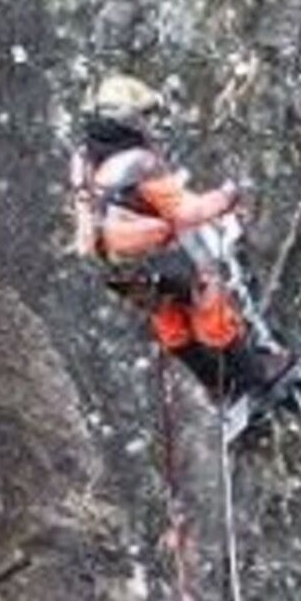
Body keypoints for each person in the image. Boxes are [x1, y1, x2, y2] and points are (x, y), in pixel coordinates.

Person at [67, 75, 274, 406]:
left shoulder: (84, 159)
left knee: (168, 320)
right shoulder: (139, 164)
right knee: (208, 305)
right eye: (143, 116)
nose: (148, 123)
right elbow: (187, 213)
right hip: (158, 257)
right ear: (129, 120)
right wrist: (228, 195)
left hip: (116, 266)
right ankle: (256, 379)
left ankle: (219, 387)